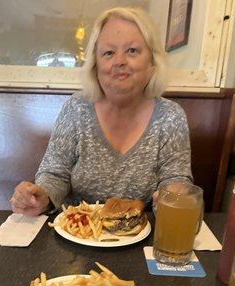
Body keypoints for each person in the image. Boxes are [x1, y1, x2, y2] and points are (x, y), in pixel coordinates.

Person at [10, 6, 192, 217]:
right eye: (108, 53)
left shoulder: (170, 117)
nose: (120, 61)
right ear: (96, 66)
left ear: (152, 61)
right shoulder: (76, 109)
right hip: (77, 231)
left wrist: (173, 196)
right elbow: (55, 174)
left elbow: (176, 180)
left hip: (138, 235)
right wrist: (41, 196)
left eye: (132, 50)